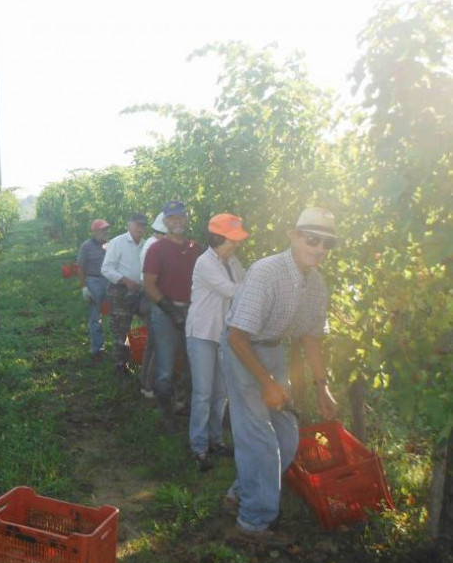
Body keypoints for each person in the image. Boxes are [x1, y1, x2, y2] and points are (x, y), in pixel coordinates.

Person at [222, 207, 339, 541]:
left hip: (272, 351)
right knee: (258, 436)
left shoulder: (317, 284)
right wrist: (267, 383)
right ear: (293, 235)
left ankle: (242, 492)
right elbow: (235, 336)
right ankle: (253, 524)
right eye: (311, 239)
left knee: (287, 435)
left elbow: (312, 339)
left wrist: (322, 387)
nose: (318, 248)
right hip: (242, 349)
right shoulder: (266, 272)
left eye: (326, 243)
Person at [186, 213, 249, 472]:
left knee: (221, 391)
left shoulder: (232, 261)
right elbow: (234, 290)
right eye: (231, 239)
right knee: (202, 392)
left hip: (223, 333)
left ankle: (216, 440)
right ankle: (198, 447)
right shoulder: (205, 263)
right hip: (202, 332)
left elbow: (243, 283)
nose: (236, 244)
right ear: (217, 238)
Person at [143, 201, 202, 431]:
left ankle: (184, 404)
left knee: (191, 364)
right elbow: (149, 285)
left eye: (181, 217)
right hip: (165, 311)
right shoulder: (156, 249)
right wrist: (171, 311)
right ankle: (166, 413)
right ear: (165, 221)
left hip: (192, 310)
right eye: (172, 218)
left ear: (186, 219)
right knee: (165, 367)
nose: (177, 221)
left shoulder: (195, 248)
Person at [101, 212, 147, 380]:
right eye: (137, 225)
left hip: (140, 291)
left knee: (152, 322)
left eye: (143, 226)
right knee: (121, 329)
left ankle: (143, 358)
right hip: (120, 291)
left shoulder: (146, 244)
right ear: (129, 224)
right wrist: (124, 280)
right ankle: (121, 366)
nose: (140, 228)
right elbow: (106, 269)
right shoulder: (118, 242)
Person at [138, 212, 168, 398]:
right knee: (158, 343)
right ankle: (149, 386)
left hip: (151, 297)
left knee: (153, 343)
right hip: (154, 298)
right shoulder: (155, 247)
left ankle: (146, 384)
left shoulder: (151, 243)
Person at [77, 219, 110, 362]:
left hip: (110, 281)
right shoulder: (86, 247)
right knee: (95, 317)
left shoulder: (110, 245)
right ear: (95, 232)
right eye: (103, 230)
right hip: (94, 281)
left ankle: (121, 345)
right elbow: (80, 267)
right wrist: (84, 287)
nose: (106, 232)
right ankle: (98, 348)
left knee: (117, 314)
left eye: (106, 230)